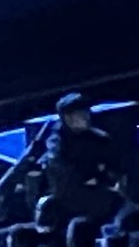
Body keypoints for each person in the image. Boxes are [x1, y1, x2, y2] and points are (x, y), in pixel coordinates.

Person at [42, 93, 123, 226]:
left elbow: (113, 165)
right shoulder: (57, 145)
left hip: (102, 190)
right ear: (67, 118)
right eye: (80, 113)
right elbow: (64, 180)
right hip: (71, 198)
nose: (86, 117)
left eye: (86, 112)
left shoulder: (99, 138)